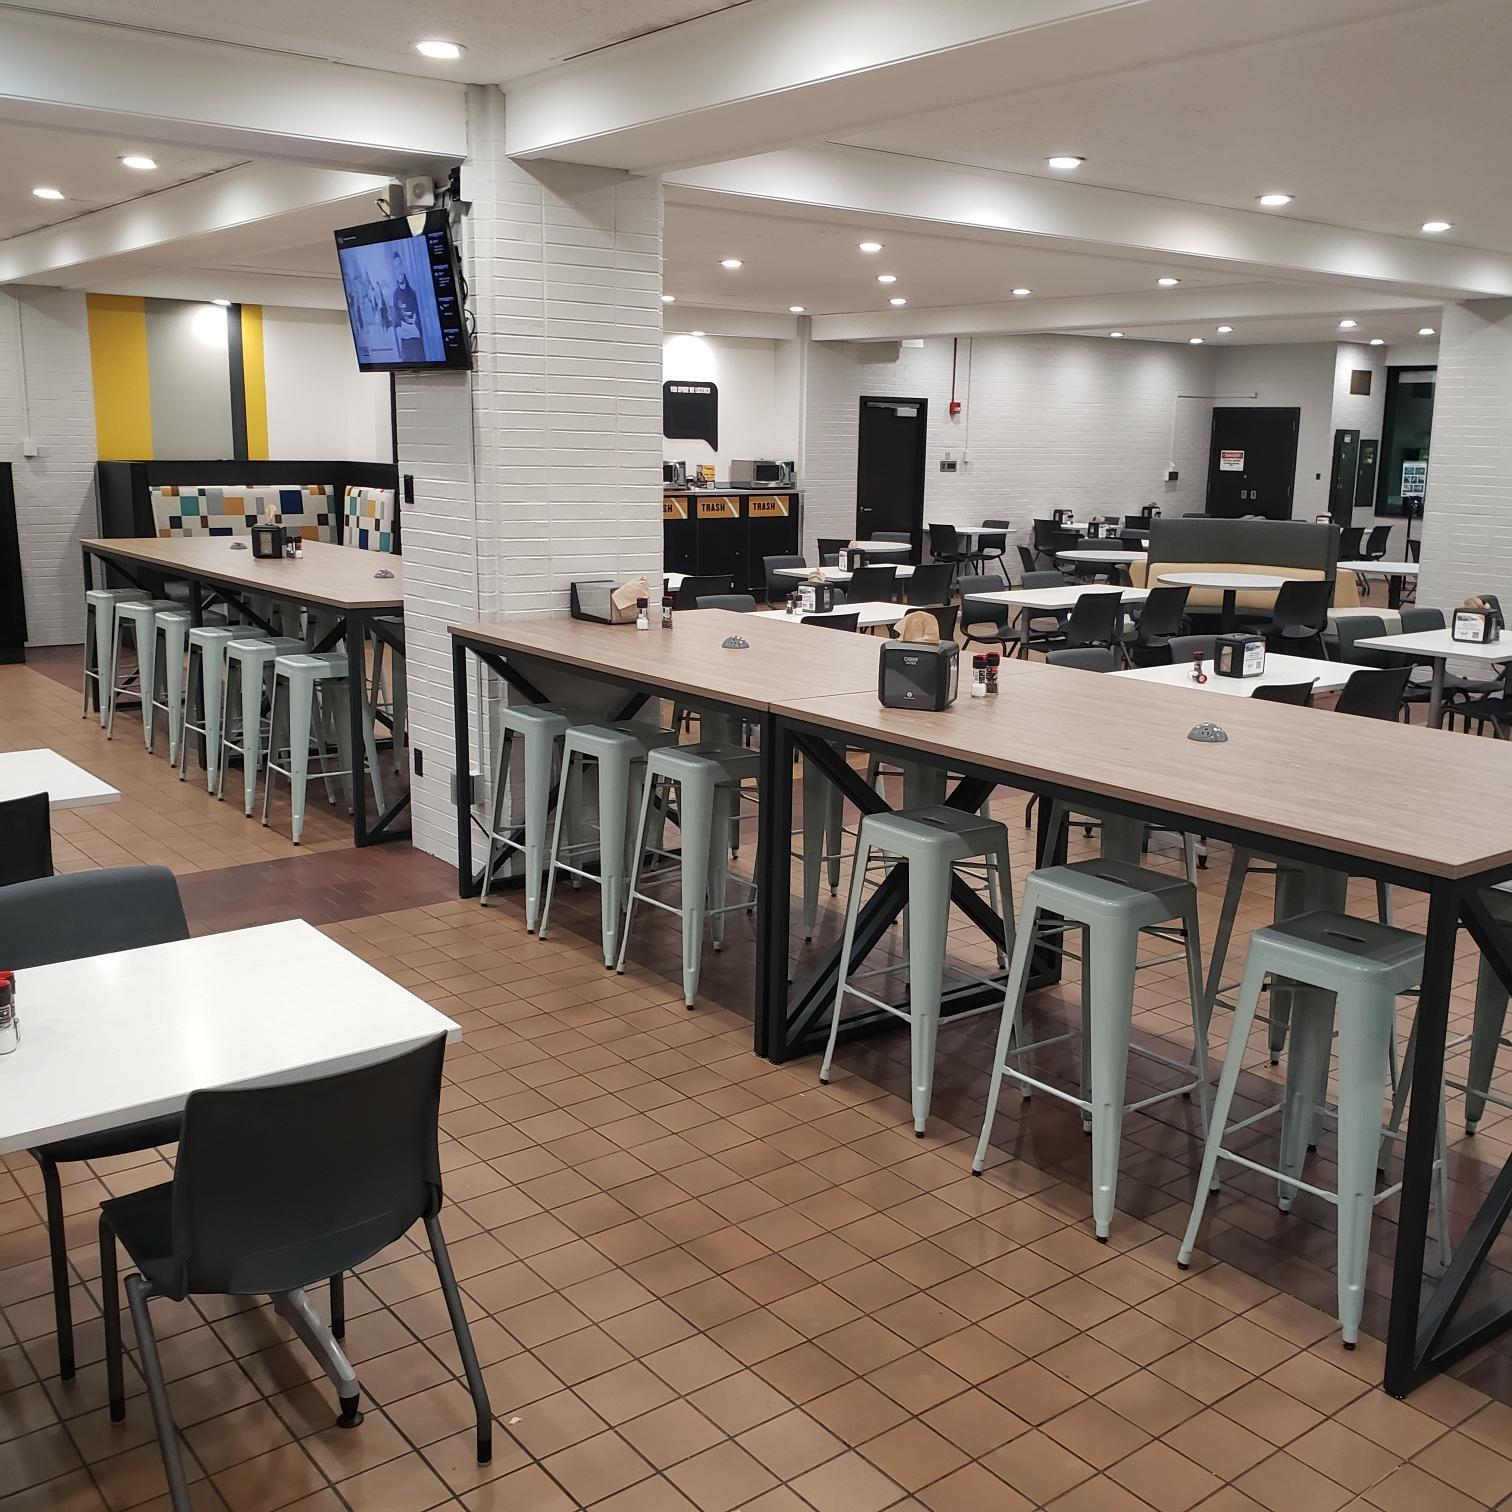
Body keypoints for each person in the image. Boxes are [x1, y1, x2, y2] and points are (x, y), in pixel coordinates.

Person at [390, 249, 423, 361]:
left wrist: (408, 331)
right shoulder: (395, 295)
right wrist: (410, 331)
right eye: (395, 268)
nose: (398, 270)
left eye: (399, 266)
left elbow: (419, 332)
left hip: (418, 350)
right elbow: (398, 329)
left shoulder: (413, 293)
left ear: (403, 268)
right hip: (406, 352)